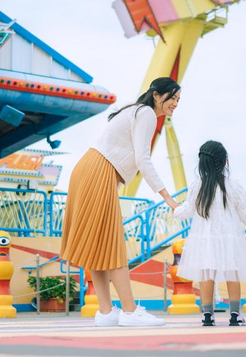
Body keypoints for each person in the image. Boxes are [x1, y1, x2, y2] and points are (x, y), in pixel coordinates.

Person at [60, 77, 181, 327]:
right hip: (100, 171)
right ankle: (129, 310)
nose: (176, 104)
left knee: (98, 245)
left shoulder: (134, 111)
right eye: (173, 98)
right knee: (111, 242)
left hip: (89, 168)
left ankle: (106, 312)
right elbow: (142, 159)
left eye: (178, 100)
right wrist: (167, 197)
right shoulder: (147, 113)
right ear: (157, 95)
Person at [173, 140, 246, 327]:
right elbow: (244, 210)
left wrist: (175, 209)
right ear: (224, 162)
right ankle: (235, 315)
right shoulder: (231, 186)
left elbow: (186, 211)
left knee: (207, 275)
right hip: (230, 237)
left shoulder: (196, 186)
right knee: (233, 273)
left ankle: (208, 316)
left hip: (205, 239)